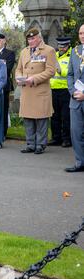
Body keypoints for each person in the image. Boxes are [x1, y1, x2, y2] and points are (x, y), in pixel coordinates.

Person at [15, 28, 56, 155]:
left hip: (39, 90)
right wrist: (18, 77)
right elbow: (18, 69)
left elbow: (50, 71)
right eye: (29, 39)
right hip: (26, 90)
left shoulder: (49, 50)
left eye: (33, 38)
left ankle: (41, 144)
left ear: (39, 38)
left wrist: (34, 79)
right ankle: (30, 144)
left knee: (41, 119)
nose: (31, 41)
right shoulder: (24, 51)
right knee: (28, 119)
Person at [65, 24, 84, 172]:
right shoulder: (74, 51)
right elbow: (70, 74)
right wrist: (72, 91)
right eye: (80, 33)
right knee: (76, 132)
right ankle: (80, 162)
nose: (82, 35)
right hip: (75, 99)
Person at [49, 37, 72, 148]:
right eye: (59, 46)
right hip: (53, 90)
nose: (61, 48)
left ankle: (67, 139)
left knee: (66, 116)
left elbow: (72, 72)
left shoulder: (72, 55)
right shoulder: (55, 55)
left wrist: (60, 71)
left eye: (63, 46)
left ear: (68, 46)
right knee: (54, 115)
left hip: (65, 90)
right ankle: (56, 138)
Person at [0, 33, 16, 138]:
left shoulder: (9, 53)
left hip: (3, 85)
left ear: (4, 41)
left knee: (3, 109)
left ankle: (2, 133)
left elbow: (7, 68)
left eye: (0, 41)